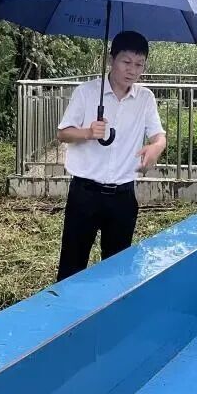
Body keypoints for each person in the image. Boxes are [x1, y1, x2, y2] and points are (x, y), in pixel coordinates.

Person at [54, 31, 166, 281]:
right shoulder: (86, 92)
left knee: (117, 269)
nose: (132, 70)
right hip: (85, 193)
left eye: (139, 64)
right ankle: (69, 305)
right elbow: (63, 133)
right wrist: (88, 132)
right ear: (111, 59)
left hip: (123, 195)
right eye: (126, 62)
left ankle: (111, 305)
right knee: (72, 265)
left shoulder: (145, 98)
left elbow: (159, 136)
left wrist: (156, 147)